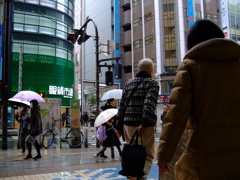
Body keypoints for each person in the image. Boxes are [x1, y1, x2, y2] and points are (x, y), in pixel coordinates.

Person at [157, 19, 240, 179]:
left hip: (204, 157)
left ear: (192, 44)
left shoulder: (190, 66)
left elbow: (176, 114)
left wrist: (164, 154)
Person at [116, 58, 159, 180]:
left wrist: (118, 127)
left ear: (138, 70)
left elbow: (122, 106)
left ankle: (131, 177)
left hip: (127, 125)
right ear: (151, 70)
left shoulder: (129, 84)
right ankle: (141, 177)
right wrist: (144, 124)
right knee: (147, 155)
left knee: (132, 154)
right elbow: (149, 104)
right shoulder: (152, 83)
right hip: (145, 127)